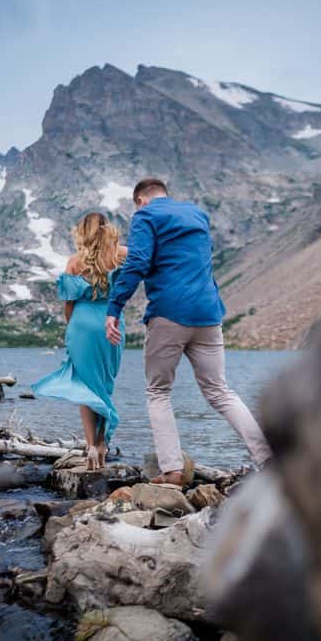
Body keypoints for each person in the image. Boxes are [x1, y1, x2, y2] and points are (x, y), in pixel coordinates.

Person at [105, 179, 272, 485]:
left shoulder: (145, 216)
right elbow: (189, 257)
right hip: (208, 314)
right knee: (220, 392)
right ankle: (268, 458)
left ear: (141, 200)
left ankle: (172, 470)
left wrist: (114, 307)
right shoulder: (196, 214)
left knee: (158, 392)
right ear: (164, 194)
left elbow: (140, 261)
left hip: (169, 313)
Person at [32, 212, 128, 470]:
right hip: (111, 321)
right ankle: (102, 442)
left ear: (82, 232)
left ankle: (91, 447)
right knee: (104, 384)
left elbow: (68, 305)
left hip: (81, 325)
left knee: (85, 386)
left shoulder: (74, 262)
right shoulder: (120, 255)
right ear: (106, 229)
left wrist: (71, 329)